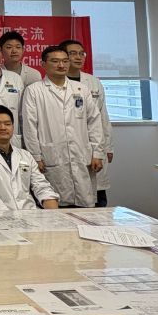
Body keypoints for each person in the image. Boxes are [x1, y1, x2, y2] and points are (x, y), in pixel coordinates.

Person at [22, 46, 104, 208]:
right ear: (43, 64)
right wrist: (35, 156)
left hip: (82, 155)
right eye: (55, 61)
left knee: (84, 207)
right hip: (50, 156)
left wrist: (97, 152)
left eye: (65, 61)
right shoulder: (34, 91)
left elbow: (94, 121)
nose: (61, 65)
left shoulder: (81, 89)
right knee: (54, 205)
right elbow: (30, 126)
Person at [0, 105, 59, 210]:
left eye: (7, 124)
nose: (3, 128)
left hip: (30, 213)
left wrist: (52, 210)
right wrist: (13, 218)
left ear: (12, 127)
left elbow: (41, 186)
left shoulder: (25, 155)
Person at [61, 39, 114, 207]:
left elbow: (102, 117)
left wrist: (108, 147)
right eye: (72, 53)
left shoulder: (93, 82)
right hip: (68, 146)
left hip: (94, 145)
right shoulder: (55, 83)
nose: (78, 57)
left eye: (81, 53)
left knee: (97, 194)